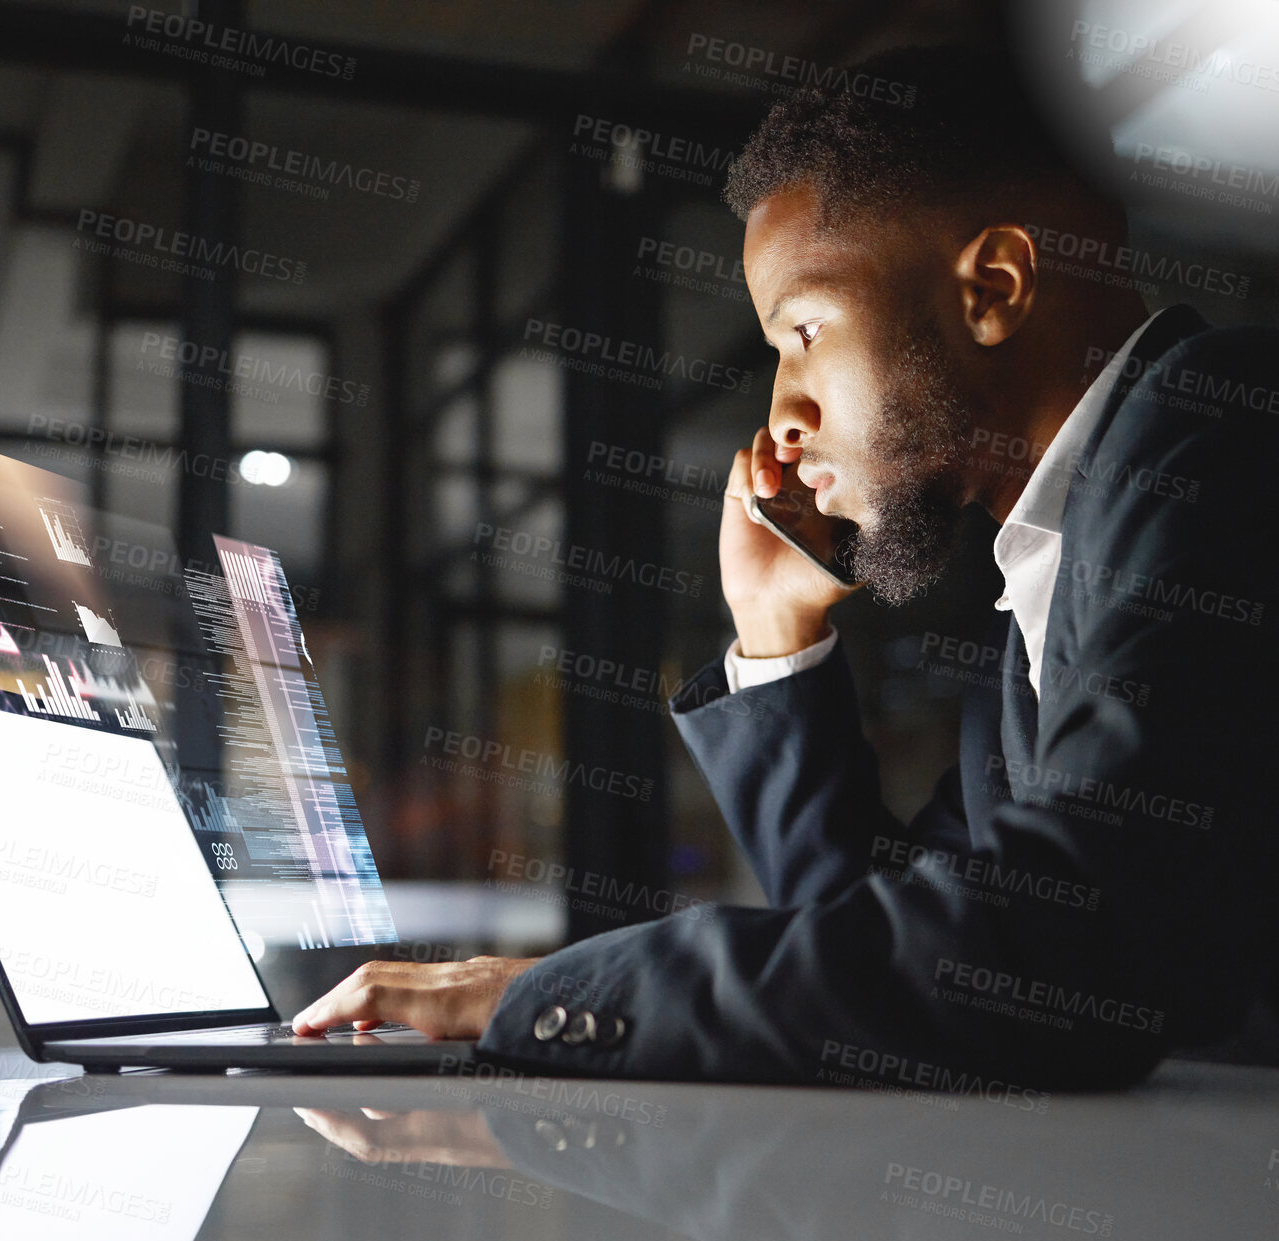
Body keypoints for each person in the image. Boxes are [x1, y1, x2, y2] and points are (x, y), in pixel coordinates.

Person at [293, 45, 1279, 1087]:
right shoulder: (1048, 587)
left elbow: (1070, 954)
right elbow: (888, 978)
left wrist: (556, 993)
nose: (782, 420)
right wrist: (775, 636)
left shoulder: (1217, 433)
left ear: (994, 288)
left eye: (804, 330)